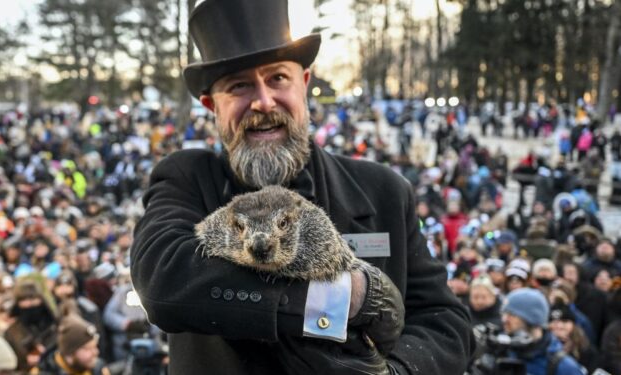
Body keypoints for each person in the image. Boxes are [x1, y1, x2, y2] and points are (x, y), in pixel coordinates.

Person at [130, 0, 473, 374]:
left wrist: (398, 371)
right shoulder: (186, 177)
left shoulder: (384, 189)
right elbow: (162, 282)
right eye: (240, 85)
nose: (263, 101)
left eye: (277, 78)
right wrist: (346, 298)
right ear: (213, 105)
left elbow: (447, 323)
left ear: (304, 83)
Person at [500, 288, 585, 374]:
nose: (504, 319)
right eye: (504, 313)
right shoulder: (503, 353)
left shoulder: (564, 367)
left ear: (532, 319)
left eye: (512, 314)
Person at [38, 314, 110, 375]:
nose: (96, 352)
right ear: (69, 355)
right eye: (88, 349)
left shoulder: (97, 367)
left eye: (95, 347)